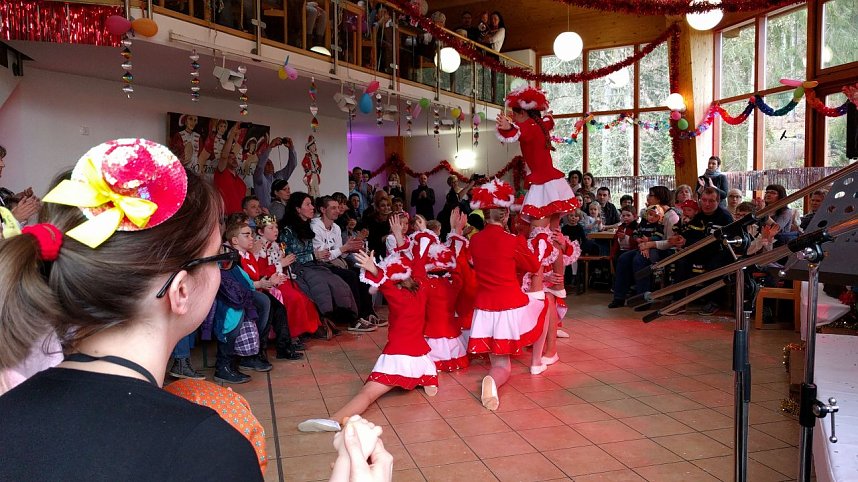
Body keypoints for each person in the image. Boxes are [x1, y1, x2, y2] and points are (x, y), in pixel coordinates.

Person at [0, 138, 262, 479]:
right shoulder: (208, 450)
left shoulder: (10, 411)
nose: (222, 269)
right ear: (180, 290)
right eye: (220, 257)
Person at [297, 248, 438, 433]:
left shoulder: (397, 296)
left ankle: (334, 420)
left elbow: (385, 284)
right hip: (422, 360)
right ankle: (426, 382)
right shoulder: (421, 288)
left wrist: (374, 270)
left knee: (368, 394)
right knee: (427, 383)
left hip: (397, 357)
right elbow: (418, 268)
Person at [466, 179, 548, 411]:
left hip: (484, 309)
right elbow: (533, 266)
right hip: (511, 305)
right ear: (504, 216)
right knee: (544, 306)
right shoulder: (513, 240)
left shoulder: (475, 241)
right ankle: (537, 361)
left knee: (500, 362)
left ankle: (493, 377)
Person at [280, 192, 368, 333]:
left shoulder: (307, 226)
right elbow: (290, 256)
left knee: (338, 281)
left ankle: (349, 317)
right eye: (307, 205)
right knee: (321, 283)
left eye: (311, 204)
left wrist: (350, 248)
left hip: (315, 264)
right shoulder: (287, 230)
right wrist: (313, 256)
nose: (312, 208)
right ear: (298, 209)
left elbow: (327, 253)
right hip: (298, 267)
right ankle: (328, 319)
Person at [495, 86, 579, 231]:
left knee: (538, 231)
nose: (513, 118)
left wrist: (508, 127)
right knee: (553, 230)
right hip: (552, 182)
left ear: (522, 113)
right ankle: (557, 251)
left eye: (514, 115)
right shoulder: (540, 124)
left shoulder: (529, 126)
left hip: (542, 183)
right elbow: (548, 121)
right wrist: (548, 115)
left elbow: (520, 131)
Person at [312, 196, 383, 328]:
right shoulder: (315, 227)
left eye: (338, 208)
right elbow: (323, 256)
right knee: (350, 276)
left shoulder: (336, 228)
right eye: (333, 208)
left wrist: (352, 248)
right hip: (320, 265)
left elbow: (341, 253)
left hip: (336, 262)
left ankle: (367, 313)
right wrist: (345, 248)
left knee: (363, 273)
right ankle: (354, 319)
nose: (337, 211)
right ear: (322, 209)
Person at [608, 185, 680, 310]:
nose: (648, 197)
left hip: (666, 250)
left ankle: (643, 299)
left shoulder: (671, 216)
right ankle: (619, 297)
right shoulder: (649, 213)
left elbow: (670, 242)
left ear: (659, 198)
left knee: (639, 260)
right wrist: (643, 243)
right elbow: (641, 233)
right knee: (623, 258)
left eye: (651, 195)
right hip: (649, 246)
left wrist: (650, 244)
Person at [667, 187, 734, 316]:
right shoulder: (698, 216)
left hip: (720, 252)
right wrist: (680, 238)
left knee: (714, 265)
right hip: (700, 251)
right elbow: (689, 235)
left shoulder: (725, 217)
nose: (707, 204)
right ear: (699, 200)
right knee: (681, 261)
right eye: (704, 200)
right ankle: (678, 301)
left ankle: (714, 302)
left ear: (718, 201)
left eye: (711, 201)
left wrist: (688, 241)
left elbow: (720, 242)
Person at [255, 214, 322, 340]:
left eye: (276, 227)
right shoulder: (259, 248)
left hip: (281, 278)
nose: (275, 230)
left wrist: (285, 263)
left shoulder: (276, 245)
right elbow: (261, 272)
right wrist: (281, 264)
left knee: (304, 296)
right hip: (269, 282)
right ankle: (291, 334)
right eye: (270, 228)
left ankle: (305, 330)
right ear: (260, 231)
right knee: (293, 298)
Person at [252, 136, 297, 210]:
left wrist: (291, 148)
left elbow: (292, 165)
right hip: (264, 215)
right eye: (267, 164)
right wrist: (270, 147)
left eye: (271, 163)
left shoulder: (278, 177)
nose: (270, 165)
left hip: (279, 212)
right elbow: (260, 166)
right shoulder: (259, 179)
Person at [0, 145, 40, 226]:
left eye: (1, 159)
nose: (3, 164)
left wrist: (23, 208)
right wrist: (14, 219)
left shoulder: (2, 192)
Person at [215, 122, 249, 215]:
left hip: (240, 219)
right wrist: (232, 134)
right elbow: (224, 156)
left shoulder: (240, 181)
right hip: (225, 218)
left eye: (235, 158)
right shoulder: (222, 172)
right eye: (231, 158)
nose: (234, 159)